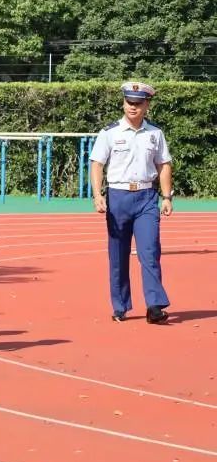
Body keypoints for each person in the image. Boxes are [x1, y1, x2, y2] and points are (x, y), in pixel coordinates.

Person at [90, 82, 173, 324]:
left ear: (147, 105)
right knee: (118, 255)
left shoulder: (155, 134)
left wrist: (166, 196)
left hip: (146, 197)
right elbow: (97, 164)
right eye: (129, 102)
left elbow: (163, 164)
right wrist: (97, 195)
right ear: (123, 103)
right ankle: (120, 306)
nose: (133, 107)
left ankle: (154, 306)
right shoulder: (110, 132)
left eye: (138, 103)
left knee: (150, 252)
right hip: (118, 197)